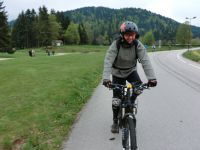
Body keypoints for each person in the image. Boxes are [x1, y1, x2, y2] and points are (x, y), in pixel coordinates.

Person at [102, 21, 157, 133]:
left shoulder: (138, 45)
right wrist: (106, 78)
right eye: (127, 34)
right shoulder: (116, 44)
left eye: (132, 34)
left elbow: (145, 61)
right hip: (117, 72)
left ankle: (131, 101)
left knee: (139, 88)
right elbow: (108, 61)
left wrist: (152, 78)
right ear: (122, 35)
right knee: (116, 100)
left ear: (135, 35)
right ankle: (115, 121)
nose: (130, 37)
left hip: (131, 71)